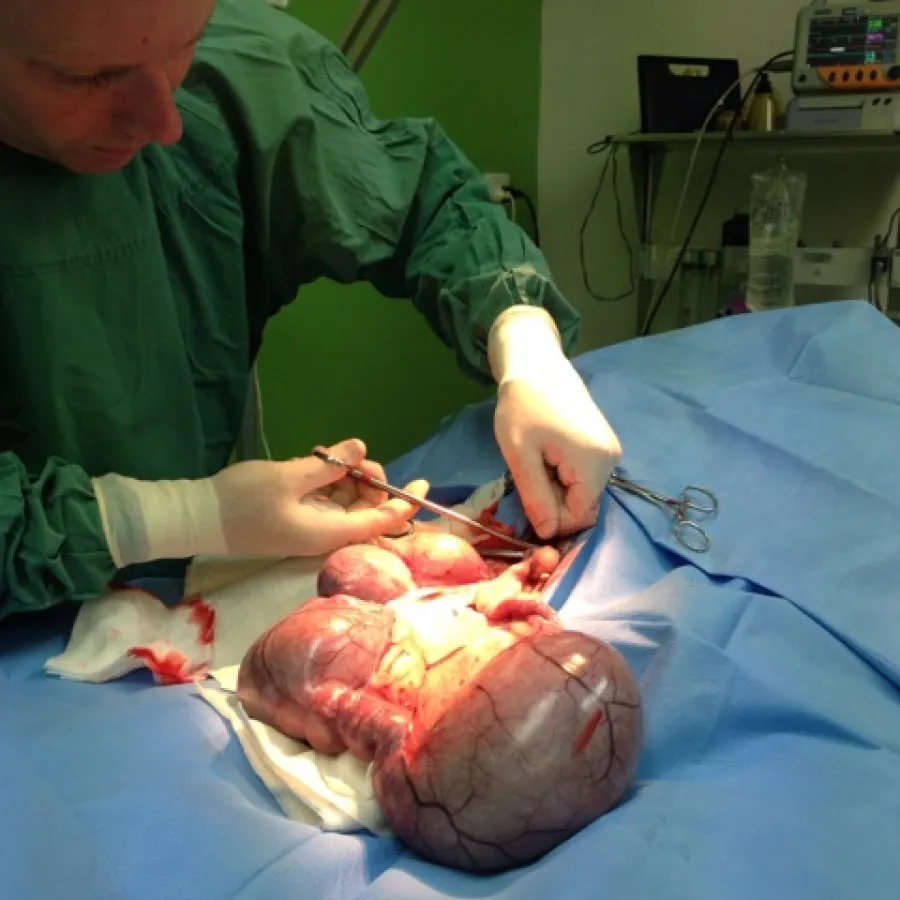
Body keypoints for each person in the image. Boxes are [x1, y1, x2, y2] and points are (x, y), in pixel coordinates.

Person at [0, 0, 623, 621]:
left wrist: (525, 345)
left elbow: (419, 201)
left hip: (185, 598)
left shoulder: (238, 65)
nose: (164, 121)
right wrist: (169, 519)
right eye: (86, 78)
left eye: (176, 50)